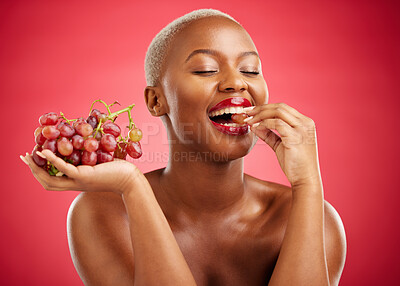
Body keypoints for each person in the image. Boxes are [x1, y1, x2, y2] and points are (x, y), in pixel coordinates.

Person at [21, 9, 346, 286]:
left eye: (250, 70)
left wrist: (308, 184)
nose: (237, 82)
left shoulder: (310, 216)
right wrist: (132, 187)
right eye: (206, 69)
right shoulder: (104, 213)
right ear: (156, 100)